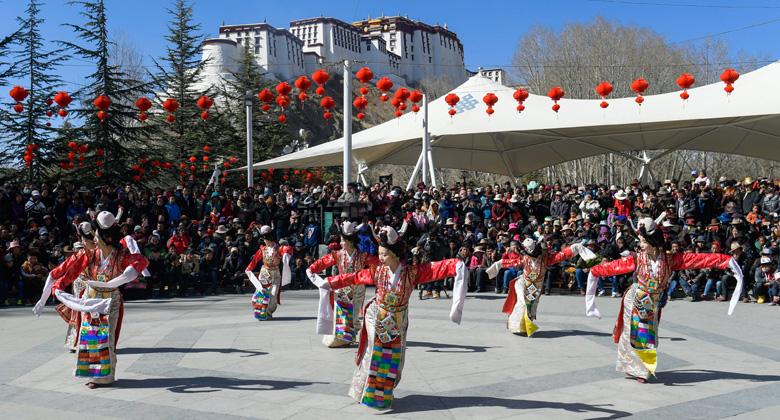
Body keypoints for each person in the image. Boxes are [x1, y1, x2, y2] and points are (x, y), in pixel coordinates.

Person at [309, 226, 467, 409]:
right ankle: (372, 396)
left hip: (398, 320)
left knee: (395, 361)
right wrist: (329, 282)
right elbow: (355, 277)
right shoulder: (377, 272)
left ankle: (384, 393)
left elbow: (436, 268)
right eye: (379, 254)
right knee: (376, 356)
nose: (380, 258)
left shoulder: (411, 273)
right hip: (377, 316)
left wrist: (457, 264)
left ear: (394, 255)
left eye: (384, 255)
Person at [585, 214, 743, 383]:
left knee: (647, 334)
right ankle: (640, 370)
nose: (640, 245)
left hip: (653, 303)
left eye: (643, 241)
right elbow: (613, 267)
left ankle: (637, 367)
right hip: (636, 299)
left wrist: (726, 261)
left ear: (653, 241)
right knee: (637, 333)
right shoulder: (637, 259)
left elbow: (699, 259)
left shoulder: (670, 260)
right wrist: (594, 273)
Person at [33, 209, 149, 389]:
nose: (93, 239)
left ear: (105, 237)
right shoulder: (90, 255)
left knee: (107, 338)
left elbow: (140, 262)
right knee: (90, 337)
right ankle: (94, 375)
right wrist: (57, 288)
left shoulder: (120, 257)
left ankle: (106, 376)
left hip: (110, 302)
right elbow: (70, 272)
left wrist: (118, 280)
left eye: (96, 235)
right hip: (91, 301)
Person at [488, 237, 594, 336]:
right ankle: (516, 325)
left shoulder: (546, 259)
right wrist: (496, 266)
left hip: (535, 286)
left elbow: (563, 255)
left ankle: (525, 327)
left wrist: (575, 248)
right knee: (522, 303)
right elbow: (509, 262)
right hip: (523, 282)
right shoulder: (525, 258)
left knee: (531, 306)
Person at [306, 221, 380, 347]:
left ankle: (349, 335)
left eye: (342, 241)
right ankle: (343, 339)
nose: (340, 243)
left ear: (350, 242)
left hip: (358, 290)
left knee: (354, 316)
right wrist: (311, 270)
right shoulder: (338, 255)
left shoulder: (363, 256)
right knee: (342, 315)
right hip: (341, 290)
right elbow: (322, 263)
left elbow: (378, 266)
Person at [244, 226, 292, 320]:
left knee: (273, 295)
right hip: (265, 274)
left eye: (265, 239)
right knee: (262, 294)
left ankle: (268, 312)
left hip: (275, 274)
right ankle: (262, 313)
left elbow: (288, 249)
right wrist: (249, 268)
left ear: (269, 239)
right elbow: (255, 260)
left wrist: (286, 254)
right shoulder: (263, 249)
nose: (264, 242)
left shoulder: (278, 249)